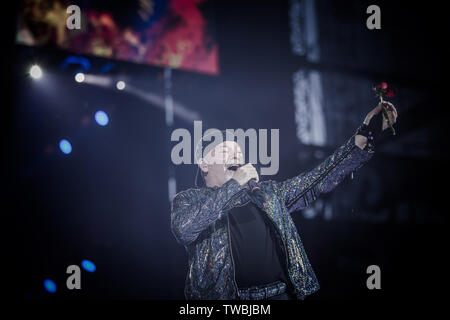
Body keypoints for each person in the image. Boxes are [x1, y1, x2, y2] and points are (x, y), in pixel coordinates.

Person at [171, 102, 398, 300]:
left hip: (280, 295)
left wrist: (364, 137)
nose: (236, 157)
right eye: (225, 152)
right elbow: (184, 229)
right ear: (204, 164)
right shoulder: (189, 199)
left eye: (239, 153)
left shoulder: (267, 193)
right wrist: (233, 185)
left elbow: (317, 179)